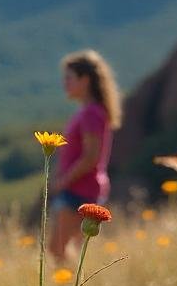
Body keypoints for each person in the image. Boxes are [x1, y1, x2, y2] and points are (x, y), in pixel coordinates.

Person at [48, 49, 122, 262]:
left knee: (59, 250)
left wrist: (63, 181)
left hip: (80, 190)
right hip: (80, 188)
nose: (65, 83)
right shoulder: (90, 111)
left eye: (69, 78)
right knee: (69, 249)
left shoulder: (91, 113)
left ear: (85, 80)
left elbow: (91, 157)